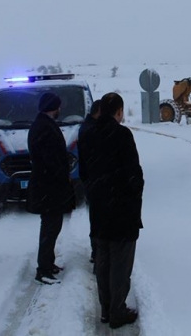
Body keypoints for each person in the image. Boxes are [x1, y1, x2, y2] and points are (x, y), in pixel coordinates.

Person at [79, 92, 144, 329]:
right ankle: (117, 311)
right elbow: (134, 174)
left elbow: (84, 173)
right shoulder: (122, 134)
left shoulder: (87, 135)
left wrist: (96, 194)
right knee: (120, 263)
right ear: (118, 112)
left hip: (99, 209)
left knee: (103, 260)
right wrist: (134, 197)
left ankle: (106, 309)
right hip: (122, 210)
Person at [27, 92, 76, 285]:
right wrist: (61, 174)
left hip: (49, 185)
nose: (60, 110)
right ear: (53, 107)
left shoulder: (43, 125)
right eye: (58, 106)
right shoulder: (43, 127)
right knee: (49, 228)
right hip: (48, 187)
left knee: (53, 227)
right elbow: (49, 159)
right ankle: (43, 270)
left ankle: (49, 263)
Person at [78, 99, 101, 264]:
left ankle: (97, 250)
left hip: (91, 181)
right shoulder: (90, 130)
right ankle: (97, 252)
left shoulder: (87, 127)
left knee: (96, 218)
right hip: (94, 182)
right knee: (97, 218)